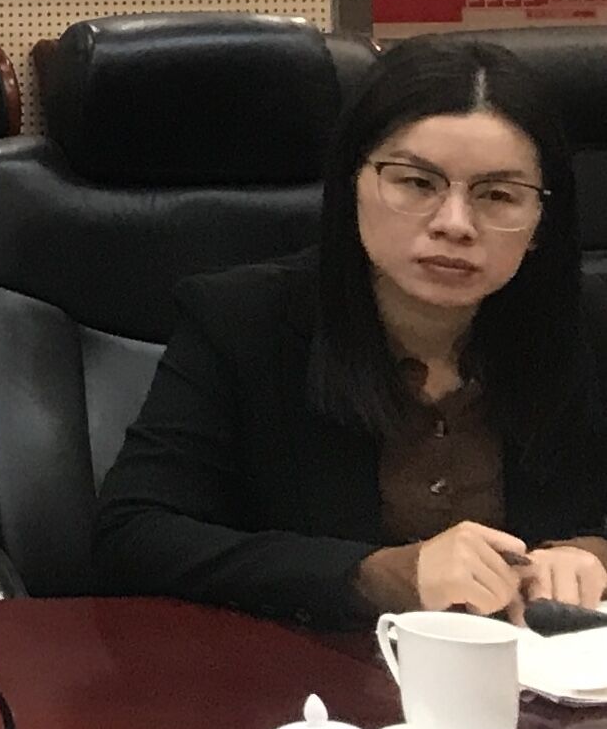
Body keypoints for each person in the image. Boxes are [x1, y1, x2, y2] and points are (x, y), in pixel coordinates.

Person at [96, 37, 607, 629]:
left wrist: (595, 554)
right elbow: (133, 536)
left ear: (541, 220)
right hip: (313, 672)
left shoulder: (590, 327)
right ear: (351, 186)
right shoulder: (243, 322)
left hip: (543, 677)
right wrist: (377, 576)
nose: (455, 224)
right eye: (417, 183)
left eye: (498, 195)